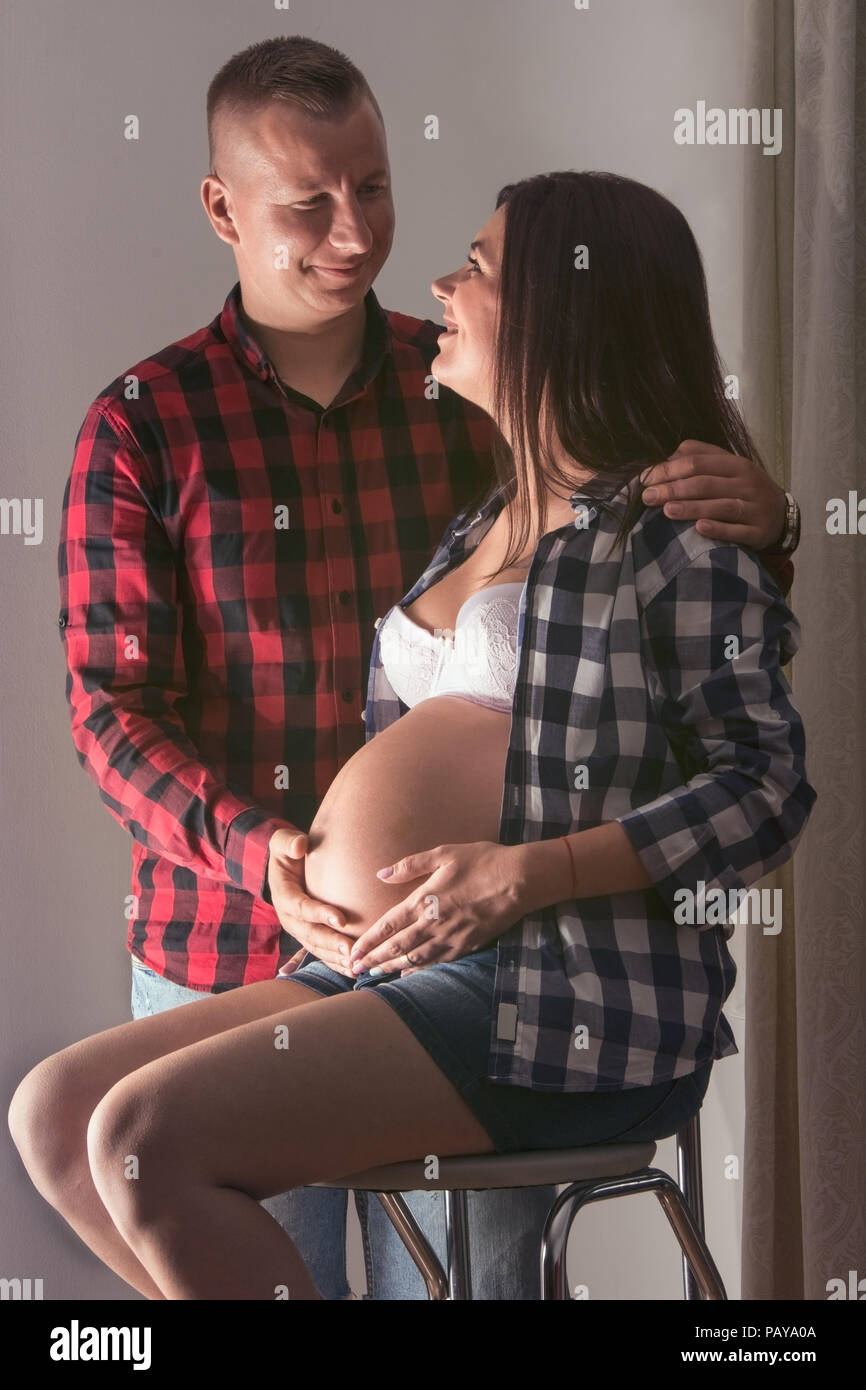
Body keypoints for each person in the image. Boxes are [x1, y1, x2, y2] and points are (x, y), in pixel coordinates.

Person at [16, 37, 802, 1302]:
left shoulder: (470, 409)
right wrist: (261, 848)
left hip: (521, 970)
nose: (362, 235)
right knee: (63, 1117)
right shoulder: (146, 424)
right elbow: (109, 709)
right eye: (306, 205)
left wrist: (766, 528)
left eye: (372, 189)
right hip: (247, 932)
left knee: (435, 1276)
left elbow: (714, 719)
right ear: (220, 208)